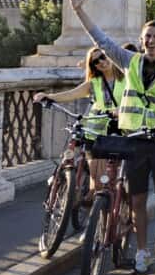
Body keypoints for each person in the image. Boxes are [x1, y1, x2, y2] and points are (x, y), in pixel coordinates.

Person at [65, 0, 155, 274]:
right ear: (141, 39)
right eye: (147, 36)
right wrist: (79, 11)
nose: (151, 41)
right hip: (133, 139)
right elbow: (102, 41)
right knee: (137, 200)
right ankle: (143, 251)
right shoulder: (129, 61)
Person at [33, 46, 123, 194]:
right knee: (97, 182)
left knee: (113, 182)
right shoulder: (93, 83)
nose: (101, 62)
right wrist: (48, 96)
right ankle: (96, 212)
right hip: (94, 133)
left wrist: (123, 109)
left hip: (118, 131)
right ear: (93, 66)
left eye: (103, 57)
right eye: (95, 61)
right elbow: (71, 94)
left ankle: (112, 214)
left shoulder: (126, 78)